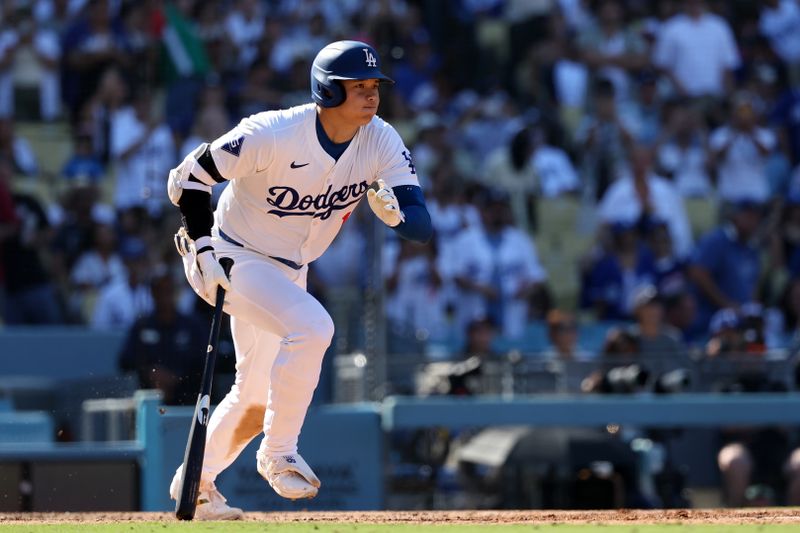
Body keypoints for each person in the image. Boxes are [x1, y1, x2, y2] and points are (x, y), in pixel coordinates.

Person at [166, 41, 432, 520]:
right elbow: (187, 178)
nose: (371, 96)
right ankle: (279, 453)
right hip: (230, 255)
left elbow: (421, 222)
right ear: (328, 91)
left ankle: (197, 482)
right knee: (314, 328)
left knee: (253, 395)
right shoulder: (273, 132)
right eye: (359, 87)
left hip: (289, 268)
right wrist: (203, 244)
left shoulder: (381, 139)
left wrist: (396, 218)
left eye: (374, 86)